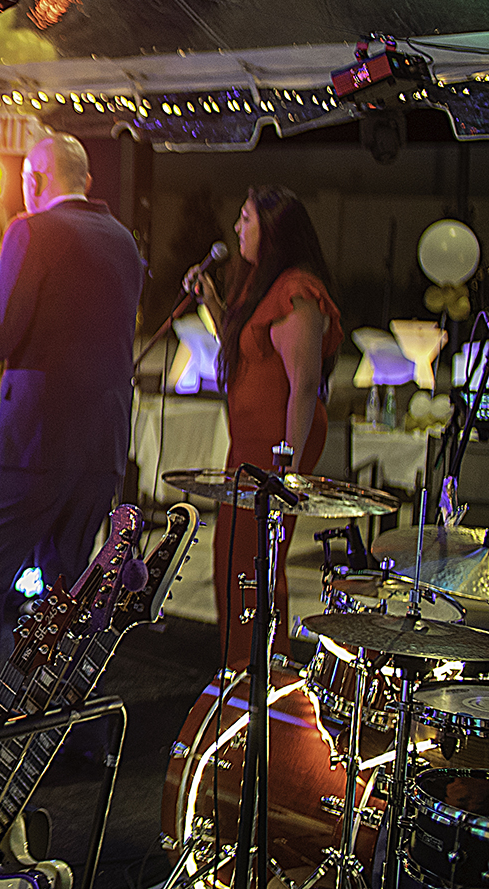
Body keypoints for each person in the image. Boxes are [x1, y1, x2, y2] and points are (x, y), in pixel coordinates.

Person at [0, 134, 142, 714]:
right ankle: (65, 728)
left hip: (33, 445)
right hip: (99, 447)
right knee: (69, 593)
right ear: (87, 180)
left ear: (34, 179)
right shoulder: (123, 240)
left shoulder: (32, 230)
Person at [184, 185, 339, 670]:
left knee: (257, 563)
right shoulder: (261, 283)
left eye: (246, 218)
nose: (237, 228)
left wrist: (286, 466)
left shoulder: (297, 292)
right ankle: (241, 671)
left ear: (270, 230)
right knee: (233, 558)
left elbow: (305, 383)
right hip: (248, 444)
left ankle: (265, 676)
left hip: (275, 450)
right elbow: (247, 345)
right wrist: (210, 302)